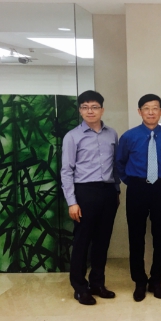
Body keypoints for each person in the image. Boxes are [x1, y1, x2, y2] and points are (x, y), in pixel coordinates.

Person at [116, 94, 161, 302]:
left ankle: (156, 280)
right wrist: (132, 181)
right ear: (139, 111)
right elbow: (120, 163)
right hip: (137, 188)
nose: (151, 112)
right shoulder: (129, 136)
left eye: (155, 108)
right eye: (146, 108)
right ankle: (139, 281)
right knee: (136, 236)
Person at [61, 90, 120, 305]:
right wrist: (72, 202)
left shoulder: (111, 134)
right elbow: (66, 171)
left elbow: (115, 165)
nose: (90, 111)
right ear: (80, 110)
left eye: (94, 107)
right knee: (82, 241)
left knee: (102, 241)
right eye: (85, 107)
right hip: (84, 192)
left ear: (102, 110)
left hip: (108, 192)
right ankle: (79, 287)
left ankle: (97, 283)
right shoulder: (72, 136)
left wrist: (116, 191)